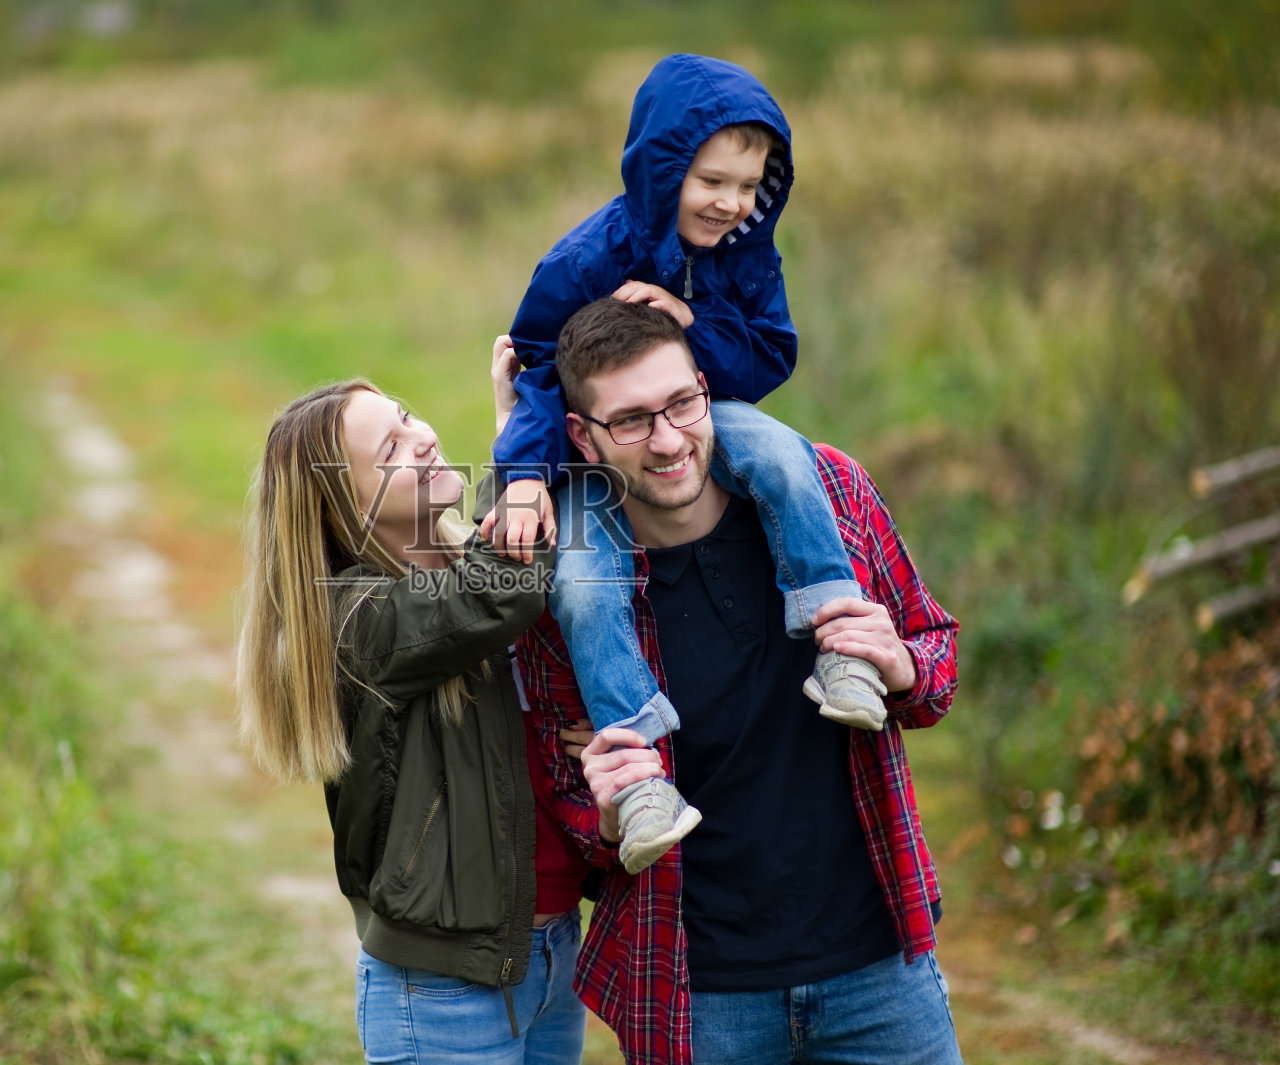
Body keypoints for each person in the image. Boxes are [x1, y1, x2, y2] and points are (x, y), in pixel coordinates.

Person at [517, 298, 964, 1065]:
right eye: (631, 420)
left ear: (705, 387)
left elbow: (936, 660)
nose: (667, 440)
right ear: (581, 437)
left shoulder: (831, 492)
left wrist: (902, 666)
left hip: (880, 968)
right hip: (697, 992)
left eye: (681, 404)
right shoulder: (569, 589)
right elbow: (570, 803)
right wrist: (608, 812)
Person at [482, 53, 886, 876]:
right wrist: (523, 476)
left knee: (782, 453)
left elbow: (771, 355)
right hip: (588, 446)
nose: (732, 202)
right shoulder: (587, 259)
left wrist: (693, 322)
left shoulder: (745, 250)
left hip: (707, 409)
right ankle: (639, 779)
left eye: (751, 185)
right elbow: (534, 368)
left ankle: (839, 636)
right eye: (712, 180)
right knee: (585, 581)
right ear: (663, 168)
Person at [235, 359, 592, 1064]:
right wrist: (519, 450)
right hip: (442, 990)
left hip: (552, 954)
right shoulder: (352, 618)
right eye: (390, 451)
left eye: (404, 417)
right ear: (344, 507)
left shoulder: (462, 562)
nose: (421, 438)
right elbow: (502, 592)